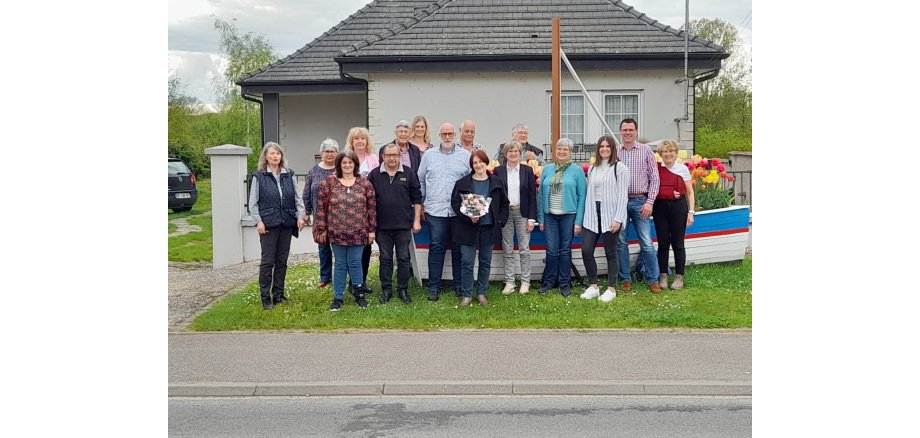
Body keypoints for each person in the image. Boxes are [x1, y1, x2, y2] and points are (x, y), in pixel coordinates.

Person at [313, 150, 377, 311]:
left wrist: (371, 230)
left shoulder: (364, 183)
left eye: (350, 162)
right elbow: (320, 207)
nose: (347, 165)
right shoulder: (329, 183)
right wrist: (322, 228)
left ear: (355, 164)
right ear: (339, 165)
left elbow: (371, 208)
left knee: (355, 263)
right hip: (336, 232)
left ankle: (359, 294)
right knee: (340, 264)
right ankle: (337, 297)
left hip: (359, 232)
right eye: (344, 163)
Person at [248, 142, 306, 310]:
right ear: (266, 156)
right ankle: (265, 298)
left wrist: (300, 217)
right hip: (268, 224)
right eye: (272, 153)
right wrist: (258, 221)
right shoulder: (259, 176)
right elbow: (253, 203)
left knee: (282, 261)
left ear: (281, 157)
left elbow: (298, 198)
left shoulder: (289, 175)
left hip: (286, 223)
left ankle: (278, 295)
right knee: (268, 261)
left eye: (278, 154)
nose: (275, 156)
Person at [417, 122, 472, 302]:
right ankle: (434, 287)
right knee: (437, 247)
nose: (447, 137)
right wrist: (422, 202)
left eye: (450, 133)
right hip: (435, 209)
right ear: (439, 135)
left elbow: (473, 181)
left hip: (459, 211)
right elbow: (421, 180)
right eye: (444, 134)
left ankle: (458, 285)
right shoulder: (429, 155)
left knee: (458, 248)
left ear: (455, 134)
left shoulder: (466, 156)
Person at [450, 150, 509, 307]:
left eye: (481, 161)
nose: (478, 165)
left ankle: (482, 293)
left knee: (485, 261)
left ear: (486, 162)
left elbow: (504, 203)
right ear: (472, 165)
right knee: (467, 262)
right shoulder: (462, 183)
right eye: (475, 162)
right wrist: (466, 216)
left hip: (489, 228)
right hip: (467, 228)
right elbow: (455, 203)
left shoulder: (496, 182)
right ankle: (467, 295)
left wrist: (501, 221)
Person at [367, 143, 423, 304]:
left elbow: (417, 199)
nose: (392, 158)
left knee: (404, 258)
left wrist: (417, 220)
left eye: (395, 155)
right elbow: (368, 201)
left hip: (403, 226)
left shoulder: (409, 173)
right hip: (382, 226)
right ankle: (386, 289)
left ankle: (403, 289)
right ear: (383, 157)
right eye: (388, 155)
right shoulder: (374, 175)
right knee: (385, 258)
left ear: (400, 156)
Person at [579, 135, 630, 303]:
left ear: (613, 148)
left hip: (611, 214)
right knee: (586, 250)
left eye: (608, 146)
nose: (604, 149)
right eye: (601, 146)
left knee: (611, 252)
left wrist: (618, 218)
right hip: (592, 214)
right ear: (598, 149)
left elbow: (623, 196)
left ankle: (611, 288)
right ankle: (593, 286)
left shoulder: (620, 168)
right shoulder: (593, 168)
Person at [615, 118, 662, 293]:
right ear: (620, 131)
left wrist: (650, 202)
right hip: (620, 202)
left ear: (636, 131)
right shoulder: (615, 152)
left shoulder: (646, 151)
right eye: (625, 130)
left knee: (647, 242)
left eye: (631, 130)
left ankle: (653, 279)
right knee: (621, 242)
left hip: (641, 201)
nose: (627, 133)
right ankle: (625, 278)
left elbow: (655, 178)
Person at [536, 138, 586, 297]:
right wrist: (541, 219)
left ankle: (565, 283)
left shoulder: (577, 171)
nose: (562, 152)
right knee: (551, 250)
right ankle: (549, 282)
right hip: (549, 215)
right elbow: (541, 196)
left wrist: (578, 221)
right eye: (559, 149)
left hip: (569, 216)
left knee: (565, 250)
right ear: (555, 151)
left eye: (565, 149)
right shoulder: (547, 169)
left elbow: (582, 197)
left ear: (570, 152)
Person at [492, 140, 538, 295]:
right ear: (505, 154)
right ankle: (509, 282)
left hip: (522, 213)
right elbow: (497, 195)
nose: (513, 153)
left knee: (525, 249)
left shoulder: (527, 170)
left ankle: (525, 282)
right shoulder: (498, 171)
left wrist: (532, 218)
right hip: (506, 214)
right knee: (508, 248)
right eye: (510, 151)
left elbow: (533, 196)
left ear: (520, 153)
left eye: (516, 151)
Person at [653, 140, 695, 290]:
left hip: (678, 208)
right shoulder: (656, 169)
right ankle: (663, 275)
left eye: (671, 151)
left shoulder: (682, 169)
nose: (668, 154)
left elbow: (690, 192)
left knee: (678, 243)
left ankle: (679, 277)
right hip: (660, 208)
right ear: (661, 154)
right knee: (663, 243)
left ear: (676, 153)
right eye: (665, 151)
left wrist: (691, 212)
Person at [302, 138, 339, 288]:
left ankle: (340, 276)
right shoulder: (313, 171)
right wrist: (307, 212)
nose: (329, 154)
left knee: (339, 249)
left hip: (338, 217)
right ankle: (325, 277)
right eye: (326, 151)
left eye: (332, 151)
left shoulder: (341, 169)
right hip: (319, 217)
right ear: (321, 153)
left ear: (337, 153)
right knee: (323, 248)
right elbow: (306, 193)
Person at [345, 127, 380, 284]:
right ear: (351, 141)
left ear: (367, 141)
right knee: (352, 247)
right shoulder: (346, 158)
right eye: (356, 138)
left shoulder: (373, 158)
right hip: (350, 210)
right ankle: (353, 281)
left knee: (366, 247)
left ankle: (362, 281)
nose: (360, 141)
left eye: (363, 138)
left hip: (368, 208)